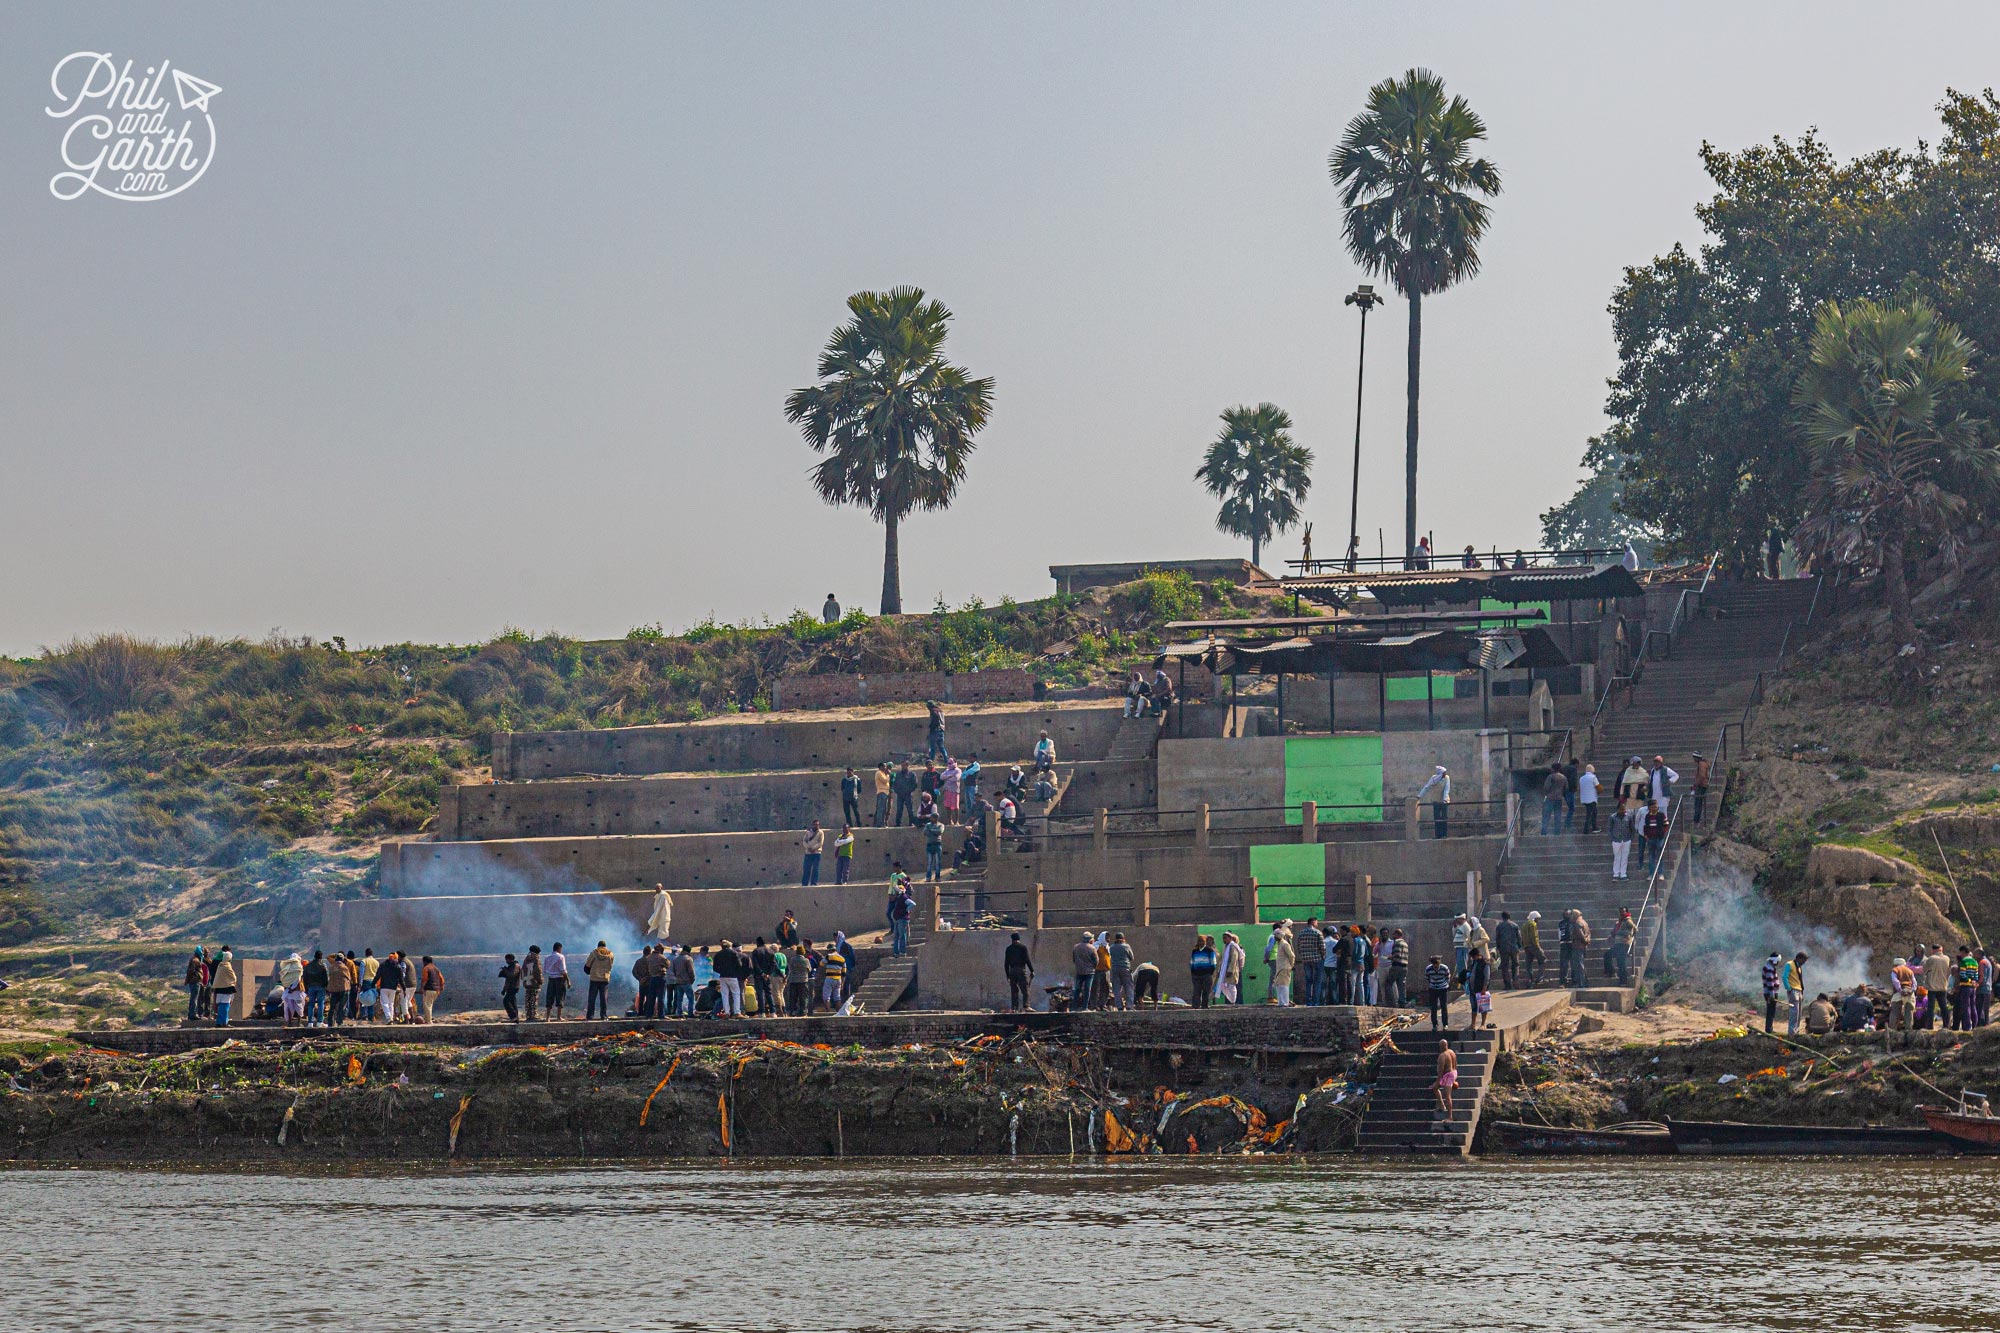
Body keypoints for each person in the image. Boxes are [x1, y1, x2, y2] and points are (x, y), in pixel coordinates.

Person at [1294, 918, 1325, 1005]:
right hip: (1317, 959)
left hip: (1306, 960)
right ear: (1313, 922)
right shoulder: (1318, 933)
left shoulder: (1301, 933)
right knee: (1318, 981)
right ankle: (1316, 1001)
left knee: (1308, 981)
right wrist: (1323, 956)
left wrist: (1303, 956)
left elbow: (1299, 946)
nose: (1317, 923)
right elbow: (1322, 947)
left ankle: (1308, 1001)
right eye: (1316, 922)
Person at [581, 941, 613, 1020]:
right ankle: (603, 1015)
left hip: (594, 978)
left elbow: (588, 964)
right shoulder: (610, 954)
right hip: (605, 979)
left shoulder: (594, 953)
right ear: (605, 946)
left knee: (592, 998)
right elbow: (610, 966)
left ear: (598, 946)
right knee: (603, 998)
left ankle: (590, 1016)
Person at [1416, 765, 1450, 839]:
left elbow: (1446, 789)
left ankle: (1444, 835)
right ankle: (1438, 835)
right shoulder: (1434, 779)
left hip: (1444, 801)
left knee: (1444, 818)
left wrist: (1444, 799)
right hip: (1436, 800)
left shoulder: (1447, 778)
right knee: (1437, 818)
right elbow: (1426, 787)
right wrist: (1419, 796)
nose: (1445, 774)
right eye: (1444, 773)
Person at [1462, 948, 1492, 1031]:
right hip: (1473, 989)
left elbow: (1487, 977)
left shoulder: (1485, 963)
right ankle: (1473, 1024)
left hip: (1481, 989)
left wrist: (1484, 989)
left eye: (1473, 957)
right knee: (1474, 1007)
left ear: (1477, 956)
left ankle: (1483, 1024)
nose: (1472, 959)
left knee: (1483, 1007)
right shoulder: (1474, 963)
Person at [1004, 933, 1035, 1011]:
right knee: (1025, 989)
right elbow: (1027, 960)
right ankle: (1026, 1006)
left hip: (1012, 971)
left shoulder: (1009, 949)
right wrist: (1032, 970)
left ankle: (1014, 1008)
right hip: (1021, 970)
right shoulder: (1023, 947)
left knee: (1014, 990)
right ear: (1019, 939)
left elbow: (1006, 963)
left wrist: (1007, 975)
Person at [713, 940, 744, 1017]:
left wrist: (721, 971)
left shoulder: (718, 954)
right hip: (733, 976)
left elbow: (715, 968)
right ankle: (737, 1012)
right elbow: (739, 965)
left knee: (724, 995)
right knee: (736, 994)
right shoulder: (734, 953)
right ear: (729, 946)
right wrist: (735, 971)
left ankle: (727, 1012)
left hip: (723, 977)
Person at [1268, 923, 1296, 1006]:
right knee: (1279, 985)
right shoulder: (1280, 944)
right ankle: (1281, 1002)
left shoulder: (1284, 944)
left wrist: (1291, 965)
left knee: (1283, 986)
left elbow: (1291, 955)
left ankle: (1284, 1003)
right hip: (1280, 968)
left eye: (1276, 936)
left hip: (1284, 968)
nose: (1275, 937)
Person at [1424, 955, 1453, 1032]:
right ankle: (1434, 1024)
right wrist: (1432, 985)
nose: (1436, 966)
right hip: (1433, 988)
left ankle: (1445, 1024)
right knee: (1433, 1007)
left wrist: (1446, 985)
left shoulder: (1444, 968)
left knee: (1444, 1006)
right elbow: (1427, 978)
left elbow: (1448, 977)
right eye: (1434, 965)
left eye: (1437, 964)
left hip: (1443, 988)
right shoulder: (1428, 969)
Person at [209, 948, 238, 1027]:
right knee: (225, 1006)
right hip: (227, 988)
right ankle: (224, 1023)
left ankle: (219, 1022)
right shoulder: (227, 966)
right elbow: (233, 977)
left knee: (221, 1006)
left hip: (219, 988)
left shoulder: (220, 965)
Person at [1888, 957, 1917, 1034]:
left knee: (1895, 1012)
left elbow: (1895, 981)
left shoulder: (1895, 970)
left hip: (1899, 993)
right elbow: (1914, 983)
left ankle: (1892, 1031)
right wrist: (1912, 990)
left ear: (1895, 964)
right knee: (1909, 1013)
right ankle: (1909, 1031)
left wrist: (1900, 990)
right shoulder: (1910, 971)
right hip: (1910, 993)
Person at [1108, 932, 1136, 1010]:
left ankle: (1119, 1006)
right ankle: (1129, 1006)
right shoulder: (1126, 946)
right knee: (1129, 987)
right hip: (1125, 968)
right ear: (1123, 939)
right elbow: (1132, 957)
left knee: (1116, 989)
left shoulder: (1112, 947)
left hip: (1115, 969)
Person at [278, 951, 307, 1027]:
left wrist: (290, 988)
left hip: (289, 991)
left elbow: (284, 978)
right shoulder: (298, 967)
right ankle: (298, 1022)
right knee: (299, 1007)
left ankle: (289, 1022)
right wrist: (293, 988)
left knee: (289, 1007)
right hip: (297, 991)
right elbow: (298, 979)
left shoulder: (287, 967)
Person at [887, 880, 915, 956]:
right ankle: (896, 952)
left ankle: (902, 952)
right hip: (897, 919)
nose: (895, 893)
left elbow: (912, 904)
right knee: (896, 936)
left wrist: (907, 910)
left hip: (902, 919)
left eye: (896, 891)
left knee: (902, 935)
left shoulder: (904, 897)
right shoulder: (898, 898)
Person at [1494, 911, 1522, 991]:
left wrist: (1498, 948)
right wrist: (1519, 946)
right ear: (1509, 917)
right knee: (1515, 965)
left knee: (1504, 967)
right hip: (1514, 948)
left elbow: (1497, 938)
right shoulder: (1515, 925)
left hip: (1504, 948)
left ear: (1502, 917)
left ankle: (1507, 985)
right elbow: (1519, 937)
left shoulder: (1499, 926)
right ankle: (1516, 982)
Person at [1070, 933, 1098, 1012]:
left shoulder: (1076, 947)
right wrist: (1093, 967)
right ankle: (1085, 1007)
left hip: (1079, 971)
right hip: (1089, 972)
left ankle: (1074, 1007)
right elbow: (1096, 961)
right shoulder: (1092, 948)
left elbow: (1074, 959)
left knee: (1077, 989)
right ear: (1090, 939)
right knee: (1087, 989)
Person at [1608, 801, 1635, 880]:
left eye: (1624, 809)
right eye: (1621, 809)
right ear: (1618, 809)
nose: (1623, 811)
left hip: (1626, 839)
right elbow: (1609, 828)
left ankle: (1623, 873)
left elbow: (1632, 828)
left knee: (1625, 857)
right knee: (1617, 857)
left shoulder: (1629, 817)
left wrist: (1631, 838)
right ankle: (1616, 874)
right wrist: (1612, 838)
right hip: (1616, 840)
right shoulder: (1612, 817)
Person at [1782, 951, 1808, 1036]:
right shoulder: (1789, 964)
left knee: (1799, 1014)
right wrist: (1789, 989)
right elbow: (1784, 977)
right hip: (1793, 990)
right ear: (1799, 958)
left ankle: (1796, 1031)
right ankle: (1792, 1034)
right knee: (1794, 1013)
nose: (1804, 963)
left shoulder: (1799, 967)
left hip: (1799, 991)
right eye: (1803, 960)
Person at [1189, 935, 1218, 1009]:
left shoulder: (1209, 951)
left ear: (1205, 942)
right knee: (1196, 992)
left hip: (1206, 975)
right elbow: (1192, 962)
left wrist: (1209, 973)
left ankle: (1204, 1006)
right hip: (1196, 976)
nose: (1200, 943)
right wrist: (1193, 972)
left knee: (1206, 992)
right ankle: (1195, 1007)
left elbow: (1213, 963)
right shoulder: (1194, 951)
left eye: (1202, 941)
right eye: (1199, 941)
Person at [1609, 910, 1636, 986]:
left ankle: (1623, 981)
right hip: (1617, 944)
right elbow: (1615, 932)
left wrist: (1628, 937)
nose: (1621, 913)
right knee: (1608, 955)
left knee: (1621, 963)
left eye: (1623, 911)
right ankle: (1611, 972)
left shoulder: (1628, 921)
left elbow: (1635, 929)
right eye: (1620, 912)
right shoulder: (1619, 922)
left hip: (1623, 944)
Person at [1641, 800, 1669, 875]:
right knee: (1651, 857)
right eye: (1653, 807)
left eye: (1656, 807)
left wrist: (1662, 832)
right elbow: (1646, 826)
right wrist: (1646, 835)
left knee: (1660, 856)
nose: (1655, 808)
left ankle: (1661, 873)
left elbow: (1666, 825)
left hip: (1659, 838)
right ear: (1649, 808)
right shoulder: (1647, 816)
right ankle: (1651, 874)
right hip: (1650, 839)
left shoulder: (1661, 815)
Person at [1218, 931, 1245, 1005]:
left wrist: (1230, 971)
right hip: (1224, 970)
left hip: (1232, 971)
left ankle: (1233, 1002)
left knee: (1232, 987)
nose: (1224, 940)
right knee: (1223, 986)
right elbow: (1222, 959)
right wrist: (1220, 970)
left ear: (1230, 938)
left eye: (1225, 938)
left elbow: (1234, 959)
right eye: (1223, 938)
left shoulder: (1233, 947)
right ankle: (1231, 1001)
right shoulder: (1225, 947)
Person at [302, 950, 329, 1028]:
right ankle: (319, 1022)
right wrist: (326, 987)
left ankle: (310, 1022)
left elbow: (305, 977)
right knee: (321, 1004)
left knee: (311, 1005)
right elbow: (326, 978)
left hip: (311, 987)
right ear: (321, 957)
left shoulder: (308, 966)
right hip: (321, 987)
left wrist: (306, 988)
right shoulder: (323, 966)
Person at [325, 949, 351, 1028]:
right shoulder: (344, 968)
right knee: (342, 1006)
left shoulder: (331, 967)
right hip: (344, 988)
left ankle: (330, 1022)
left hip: (333, 989)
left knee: (332, 1006)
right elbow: (348, 977)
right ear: (342, 959)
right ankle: (339, 1021)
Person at [1434, 1036, 1459, 1118]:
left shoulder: (1442, 1056)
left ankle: (1450, 1117)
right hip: (1454, 1073)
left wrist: (1438, 1082)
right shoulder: (1452, 1052)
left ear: (1441, 1047)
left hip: (1448, 1075)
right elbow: (1455, 1065)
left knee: (1447, 1096)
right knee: (1434, 1088)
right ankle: (1441, 1105)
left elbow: (1440, 1071)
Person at [375, 950, 402, 1024]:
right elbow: (400, 978)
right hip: (393, 988)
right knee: (391, 1003)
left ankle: (388, 1018)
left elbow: (378, 975)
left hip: (384, 987)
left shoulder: (383, 965)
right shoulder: (398, 966)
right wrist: (404, 987)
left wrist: (373, 984)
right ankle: (391, 1018)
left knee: (384, 1003)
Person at [545, 943, 570, 1021]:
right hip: (559, 979)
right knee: (560, 997)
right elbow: (563, 971)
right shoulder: (561, 957)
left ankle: (547, 1017)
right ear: (559, 948)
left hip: (551, 979)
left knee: (549, 997)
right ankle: (558, 1017)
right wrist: (568, 980)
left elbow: (545, 970)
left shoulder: (547, 957)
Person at [1385, 929, 1410, 1007]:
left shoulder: (1397, 943)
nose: (1392, 936)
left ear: (1397, 934)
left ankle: (1391, 1002)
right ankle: (1402, 1002)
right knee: (1401, 985)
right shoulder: (1405, 944)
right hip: (1404, 967)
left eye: (1393, 934)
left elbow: (1397, 955)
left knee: (1388, 983)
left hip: (1396, 966)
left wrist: (1390, 957)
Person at [1540, 763, 1567, 836]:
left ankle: (1543, 832)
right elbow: (1565, 788)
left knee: (1546, 816)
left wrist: (1546, 794)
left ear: (1553, 769)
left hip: (1550, 798)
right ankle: (1557, 833)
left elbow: (1546, 787)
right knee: (1557, 816)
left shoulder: (1550, 777)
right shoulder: (1563, 777)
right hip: (1559, 799)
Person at [1760, 950, 1783, 1034]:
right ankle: (1769, 1030)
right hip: (1770, 994)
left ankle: (1770, 1028)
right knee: (1770, 1011)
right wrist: (1772, 995)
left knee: (1771, 1011)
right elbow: (1770, 984)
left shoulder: (1770, 967)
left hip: (1771, 993)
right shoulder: (1769, 969)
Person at [183, 947, 207, 1023]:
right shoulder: (195, 960)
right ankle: (193, 1014)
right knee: (194, 998)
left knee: (194, 998)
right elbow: (191, 971)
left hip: (195, 981)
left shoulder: (195, 959)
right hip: (195, 982)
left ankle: (192, 1014)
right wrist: (188, 980)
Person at [521, 945, 544, 1022]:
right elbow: (537, 971)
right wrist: (540, 980)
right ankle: (533, 1015)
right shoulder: (536, 959)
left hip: (527, 982)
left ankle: (528, 1015)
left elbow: (522, 970)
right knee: (534, 999)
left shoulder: (526, 959)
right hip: (534, 982)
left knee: (528, 999)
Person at [1689, 752, 1713, 825]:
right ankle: (1696, 820)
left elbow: (1701, 776)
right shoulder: (1704, 764)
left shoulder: (1701, 764)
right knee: (1698, 803)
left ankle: (1696, 820)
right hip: (1703, 785)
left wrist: (1696, 785)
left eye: (1694, 757)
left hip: (1701, 785)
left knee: (1698, 803)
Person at [420, 955, 445, 1023]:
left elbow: (425, 979)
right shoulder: (436, 968)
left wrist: (422, 988)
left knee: (427, 1006)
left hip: (429, 990)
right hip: (436, 990)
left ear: (425, 961)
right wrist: (441, 987)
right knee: (430, 1005)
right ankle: (428, 1019)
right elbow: (442, 979)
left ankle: (428, 1021)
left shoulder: (426, 968)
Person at [1522, 911, 1545, 986]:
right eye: (1538, 919)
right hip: (1533, 946)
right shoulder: (1533, 924)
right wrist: (1537, 946)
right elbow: (1534, 937)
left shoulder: (1524, 925)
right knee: (1542, 959)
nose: (1538, 921)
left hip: (1526, 947)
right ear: (1534, 918)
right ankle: (1539, 977)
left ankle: (1529, 980)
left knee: (1529, 964)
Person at [1577, 763, 1600, 834]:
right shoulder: (1593, 777)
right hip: (1592, 798)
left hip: (1584, 798)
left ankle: (1594, 827)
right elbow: (1599, 787)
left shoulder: (1581, 778)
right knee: (1590, 814)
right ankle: (1587, 829)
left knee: (1592, 812)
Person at [498, 953, 522, 1022]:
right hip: (510, 987)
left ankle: (513, 1016)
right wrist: (504, 990)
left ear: (510, 959)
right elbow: (507, 980)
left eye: (507, 960)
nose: (506, 961)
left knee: (506, 1001)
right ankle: (515, 1018)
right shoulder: (511, 966)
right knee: (512, 1002)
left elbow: (511, 975)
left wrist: (505, 970)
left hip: (513, 987)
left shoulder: (515, 966)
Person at [801, 820, 825, 886]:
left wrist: (814, 848)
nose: (816, 826)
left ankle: (814, 883)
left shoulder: (821, 832)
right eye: (815, 824)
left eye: (817, 824)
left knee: (815, 869)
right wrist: (808, 848)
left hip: (817, 853)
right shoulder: (808, 832)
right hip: (808, 853)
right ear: (812, 825)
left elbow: (821, 842)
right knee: (806, 868)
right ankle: (804, 883)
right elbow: (804, 841)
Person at [923, 814, 945, 882]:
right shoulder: (928, 825)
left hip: (937, 845)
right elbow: (925, 832)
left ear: (936, 818)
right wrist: (934, 832)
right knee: (929, 862)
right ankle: (928, 877)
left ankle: (937, 877)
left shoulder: (941, 825)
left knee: (938, 862)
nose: (931, 819)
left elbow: (940, 832)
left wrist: (931, 830)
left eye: (932, 817)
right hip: (929, 845)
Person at [941, 758, 962, 825]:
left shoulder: (958, 770)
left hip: (954, 790)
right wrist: (949, 777)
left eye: (951, 763)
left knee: (956, 806)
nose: (949, 764)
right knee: (947, 806)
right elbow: (941, 777)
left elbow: (956, 778)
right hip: (947, 790)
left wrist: (947, 778)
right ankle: (950, 820)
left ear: (955, 762)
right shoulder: (947, 770)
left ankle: (957, 821)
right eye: (948, 763)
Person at [1561, 757, 1580, 830]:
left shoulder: (1564, 768)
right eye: (1578, 765)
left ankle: (1567, 823)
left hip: (1564, 790)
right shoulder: (1573, 769)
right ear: (1576, 764)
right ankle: (1567, 824)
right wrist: (1574, 788)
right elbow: (1573, 779)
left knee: (1570, 808)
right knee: (1571, 808)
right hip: (1570, 790)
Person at [873, 763, 892, 828]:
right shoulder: (879, 773)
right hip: (882, 792)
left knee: (884, 809)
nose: (886, 767)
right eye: (884, 766)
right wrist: (888, 774)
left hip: (885, 792)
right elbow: (885, 780)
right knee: (881, 809)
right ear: (881, 767)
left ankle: (881, 823)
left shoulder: (883, 773)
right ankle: (879, 823)